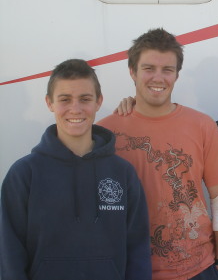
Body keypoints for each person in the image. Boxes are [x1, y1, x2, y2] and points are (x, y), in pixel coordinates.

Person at [97, 28, 218, 280]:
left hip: (199, 271)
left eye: (167, 70)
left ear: (177, 74)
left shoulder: (202, 125)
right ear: (132, 71)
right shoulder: (106, 132)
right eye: (149, 68)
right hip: (132, 271)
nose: (158, 78)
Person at [0, 59, 152, 280]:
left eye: (85, 99)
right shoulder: (24, 174)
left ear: (98, 102)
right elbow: (9, 256)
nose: (75, 109)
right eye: (65, 99)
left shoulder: (123, 173)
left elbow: (138, 251)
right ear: (49, 103)